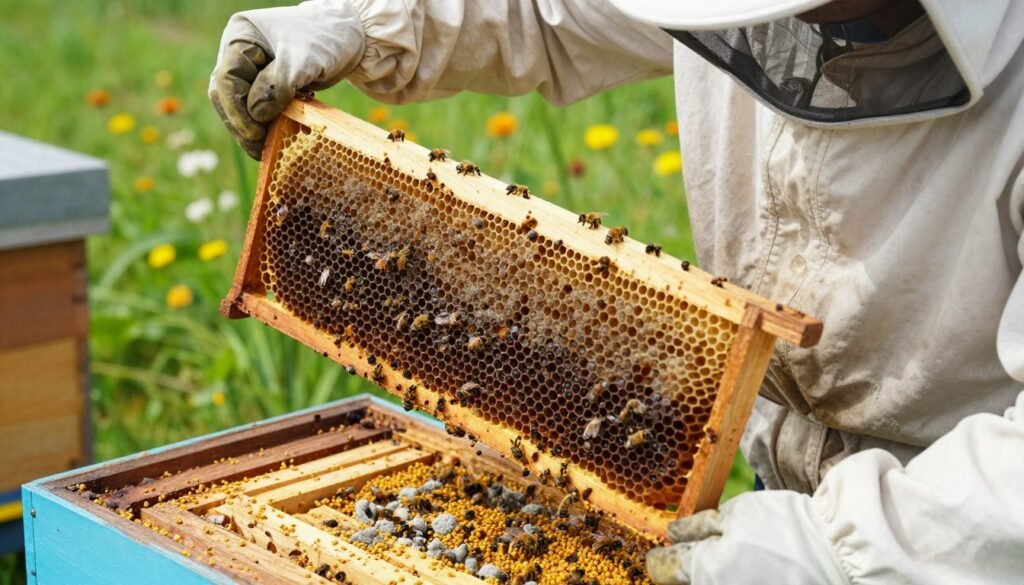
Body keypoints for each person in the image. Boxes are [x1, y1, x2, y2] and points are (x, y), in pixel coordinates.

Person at [209, 1, 1024, 582]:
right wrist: (367, 22)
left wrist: (838, 553)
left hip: (964, 542)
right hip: (771, 515)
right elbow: (547, 9)